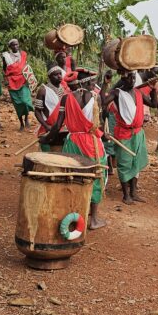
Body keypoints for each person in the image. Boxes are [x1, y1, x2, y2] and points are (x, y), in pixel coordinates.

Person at [105, 70, 158, 204]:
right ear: (123, 78)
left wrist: (152, 89)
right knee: (124, 163)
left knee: (136, 162)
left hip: (138, 133)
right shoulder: (117, 93)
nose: (133, 81)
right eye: (130, 78)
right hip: (124, 133)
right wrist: (106, 84)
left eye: (134, 78)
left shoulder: (138, 93)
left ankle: (134, 192)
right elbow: (103, 101)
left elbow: (153, 104)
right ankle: (126, 195)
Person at [60, 90, 108, 230]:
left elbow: (58, 124)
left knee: (71, 176)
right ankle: (93, 219)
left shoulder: (66, 98)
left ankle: (71, 214)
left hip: (73, 141)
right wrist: (104, 135)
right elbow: (96, 124)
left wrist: (47, 136)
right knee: (96, 176)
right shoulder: (94, 97)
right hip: (91, 143)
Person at [1, 39, 34, 130]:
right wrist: (7, 78)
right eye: (13, 45)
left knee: (24, 101)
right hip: (12, 82)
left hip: (23, 80)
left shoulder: (23, 54)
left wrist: (29, 78)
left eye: (17, 44)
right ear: (10, 47)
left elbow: (26, 67)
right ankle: (21, 123)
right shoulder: (6, 56)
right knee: (17, 103)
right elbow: (4, 68)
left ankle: (26, 118)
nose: (15, 46)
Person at [34, 64, 68, 148]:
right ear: (49, 76)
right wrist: (46, 126)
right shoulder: (43, 90)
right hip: (49, 127)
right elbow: (37, 111)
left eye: (60, 73)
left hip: (63, 127)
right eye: (56, 74)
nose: (59, 76)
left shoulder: (64, 88)